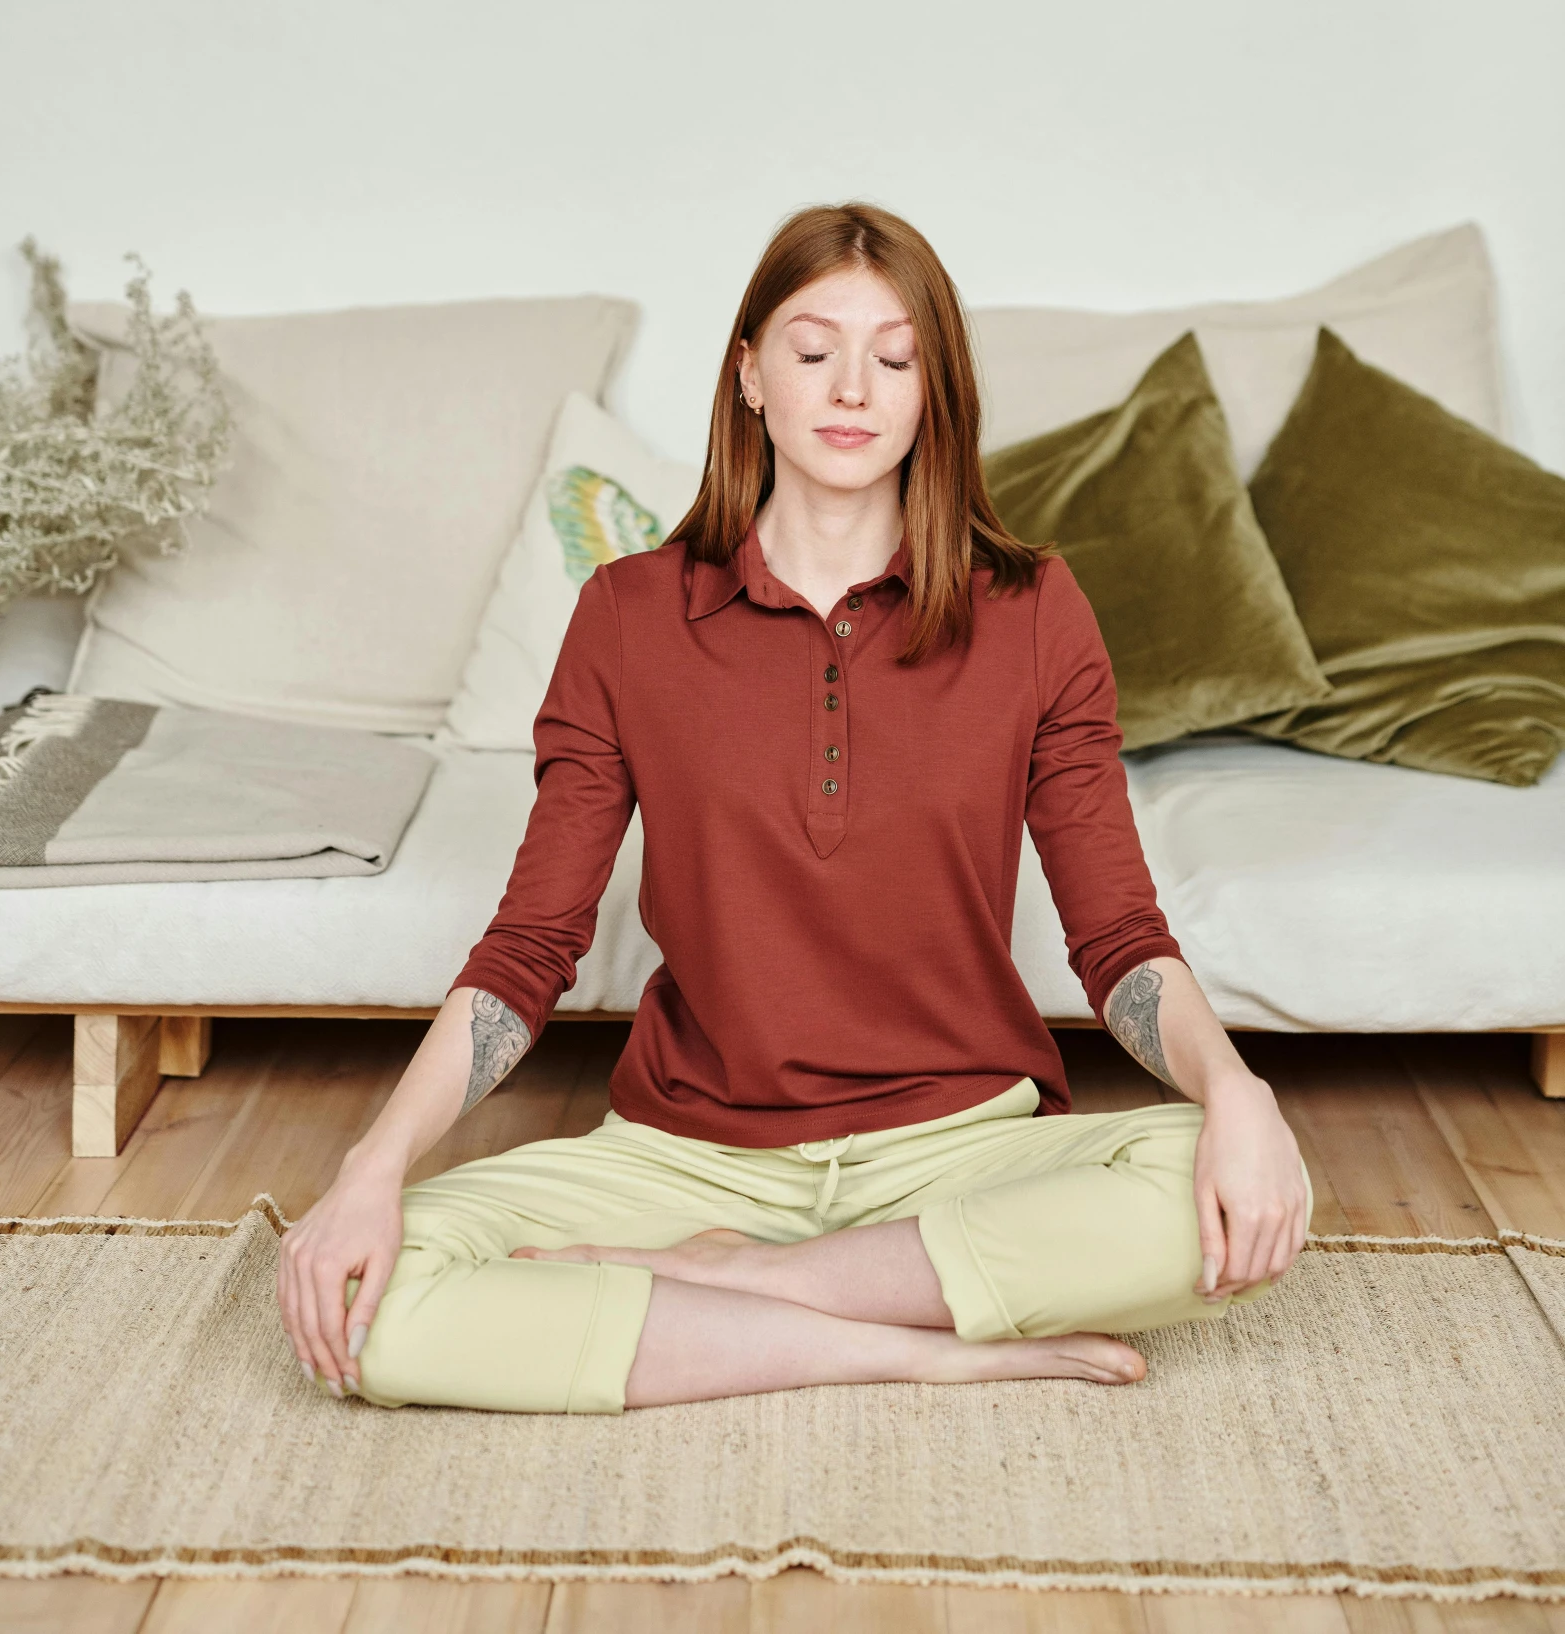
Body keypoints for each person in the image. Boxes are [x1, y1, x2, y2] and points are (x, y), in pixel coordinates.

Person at [278, 201, 1311, 1414]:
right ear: (750, 375)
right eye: (813, 350)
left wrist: (1237, 1093)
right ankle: (893, 1339)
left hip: (962, 1142)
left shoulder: (1034, 610)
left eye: (894, 355)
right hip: (686, 1155)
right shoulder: (627, 614)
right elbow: (528, 950)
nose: (852, 388)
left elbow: (1119, 941)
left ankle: (744, 1294)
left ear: (935, 391)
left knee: (1220, 1173)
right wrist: (373, 1164)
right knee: (360, 1300)